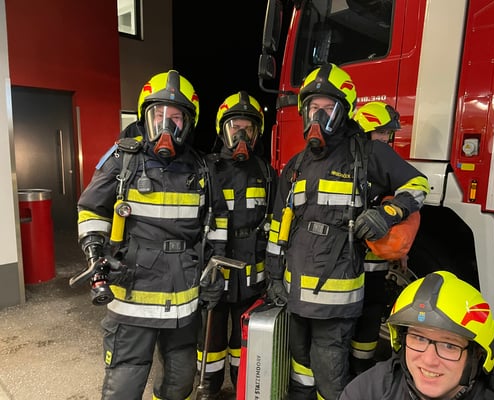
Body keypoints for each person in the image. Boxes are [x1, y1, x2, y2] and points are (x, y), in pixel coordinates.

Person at [264, 63, 430, 400]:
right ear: (303, 111)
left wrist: (388, 213)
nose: (319, 116)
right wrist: (273, 275)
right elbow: (280, 224)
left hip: (336, 300)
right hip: (296, 293)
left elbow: (419, 185)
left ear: (344, 112)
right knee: (300, 370)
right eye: (314, 108)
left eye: (328, 108)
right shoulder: (295, 166)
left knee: (330, 376)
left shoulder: (368, 153)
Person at [75, 69, 228, 400]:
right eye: (159, 115)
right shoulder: (123, 160)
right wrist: (95, 251)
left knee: (180, 382)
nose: (166, 126)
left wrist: (215, 270)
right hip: (133, 295)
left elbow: (217, 221)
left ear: (188, 123)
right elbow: (90, 209)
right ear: (145, 116)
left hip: (183, 297)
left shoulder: (202, 169)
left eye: (176, 118)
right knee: (124, 385)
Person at [196, 91, 277, 399]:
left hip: (251, 272)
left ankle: (241, 383)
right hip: (216, 269)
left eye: (248, 128)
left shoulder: (266, 172)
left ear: (257, 133)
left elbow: (274, 221)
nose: (241, 135)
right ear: (223, 130)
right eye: (235, 127)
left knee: (244, 336)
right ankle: (209, 385)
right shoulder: (207, 168)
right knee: (211, 335)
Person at [339, 270, 494, 400]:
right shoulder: (367, 392)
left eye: (449, 345)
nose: (429, 360)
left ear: (477, 354)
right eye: (419, 338)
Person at [349, 100, 420, 375]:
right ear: (365, 130)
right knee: (349, 320)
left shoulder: (382, 163)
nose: (385, 140)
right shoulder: (350, 163)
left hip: (373, 264)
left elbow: (407, 200)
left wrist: (401, 247)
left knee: (369, 317)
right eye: (381, 132)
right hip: (349, 265)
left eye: (388, 134)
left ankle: (362, 371)